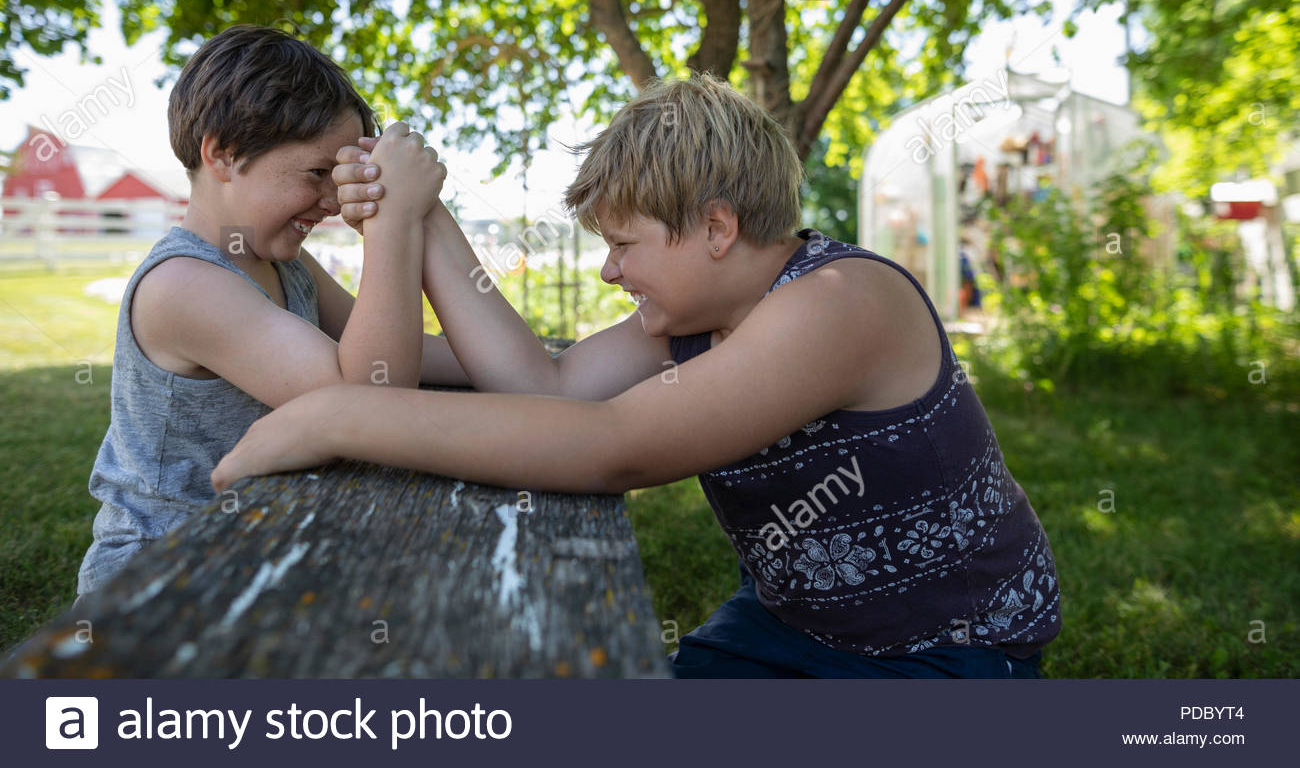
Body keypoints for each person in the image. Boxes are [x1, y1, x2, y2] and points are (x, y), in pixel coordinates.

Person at [212, 74, 1060, 677]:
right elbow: (545, 386)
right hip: (791, 623)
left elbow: (616, 446)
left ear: (717, 228)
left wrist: (330, 418)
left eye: (625, 245)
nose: (612, 273)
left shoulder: (840, 302)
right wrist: (422, 209)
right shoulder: (700, 316)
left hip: (945, 652)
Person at [76, 24, 464, 597]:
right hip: (166, 574)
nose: (334, 202)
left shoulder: (284, 263)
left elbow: (390, 350)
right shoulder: (183, 284)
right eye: (317, 174)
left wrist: (530, 368)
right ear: (223, 153)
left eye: (340, 178)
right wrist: (394, 224)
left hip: (263, 535)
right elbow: (367, 390)